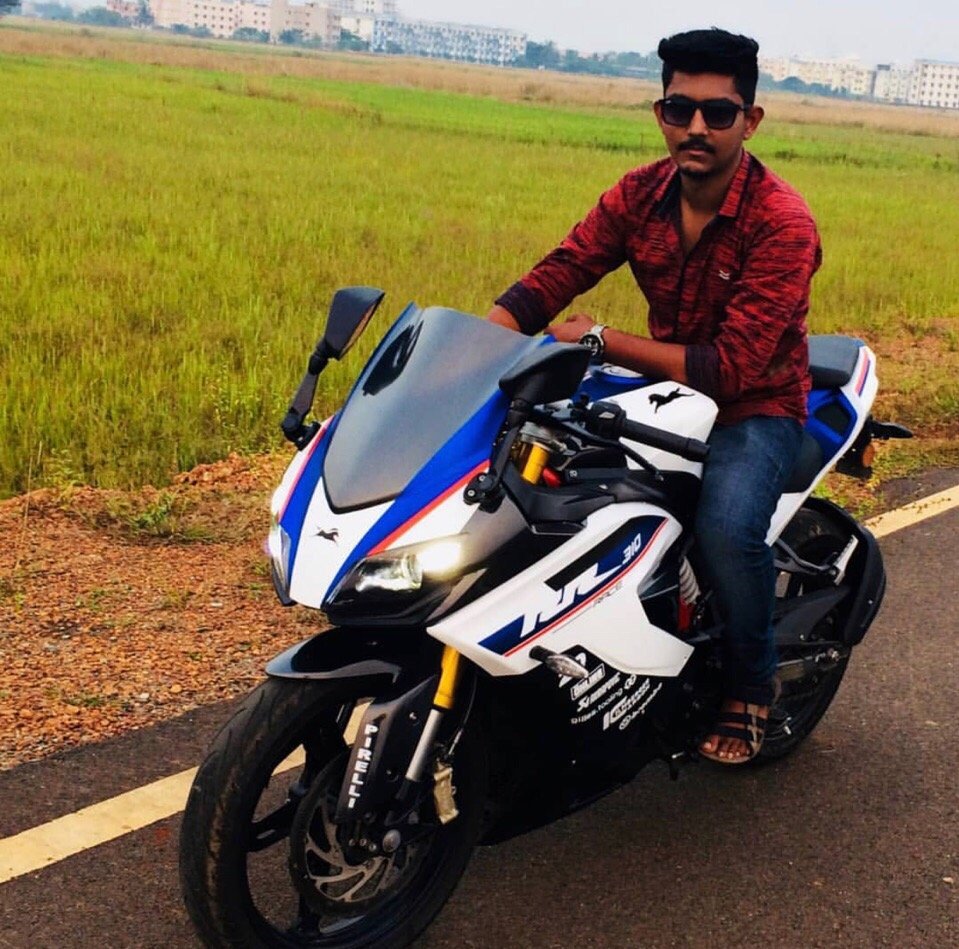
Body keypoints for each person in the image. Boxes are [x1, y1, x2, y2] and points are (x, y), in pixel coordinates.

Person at [488, 28, 822, 763]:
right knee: (550, 485)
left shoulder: (781, 222)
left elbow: (731, 369)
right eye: (680, 109)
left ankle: (751, 685)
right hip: (663, 391)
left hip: (755, 405)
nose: (696, 127)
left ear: (750, 120)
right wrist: (478, 348)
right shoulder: (638, 195)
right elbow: (559, 272)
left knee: (726, 529)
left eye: (717, 112)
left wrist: (600, 340)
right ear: (659, 112)